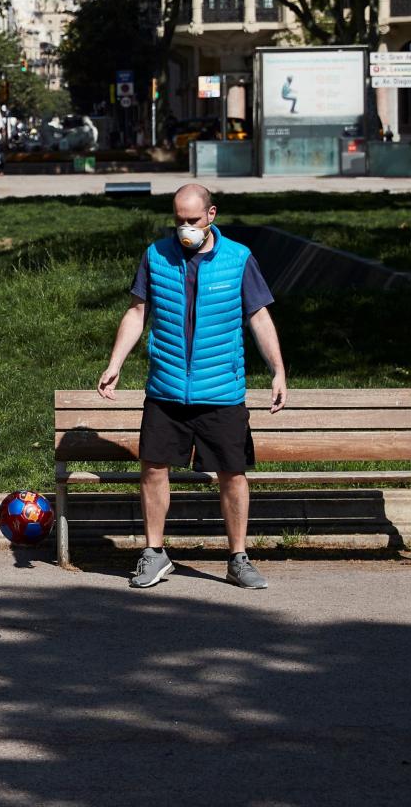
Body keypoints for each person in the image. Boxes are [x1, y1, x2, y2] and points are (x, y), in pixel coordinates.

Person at [98, 184, 287, 591]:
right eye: (178, 221)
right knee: (153, 470)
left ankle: (238, 557)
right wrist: (116, 363)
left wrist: (277, 370)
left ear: (211, 215)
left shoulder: (239, 259)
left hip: (221, 391)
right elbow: (137, 312)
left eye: (192, 221)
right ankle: (154, 553)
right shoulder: (156, 255)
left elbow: (259, 317)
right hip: (166, 390)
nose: (185, 229)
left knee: (232, 475)